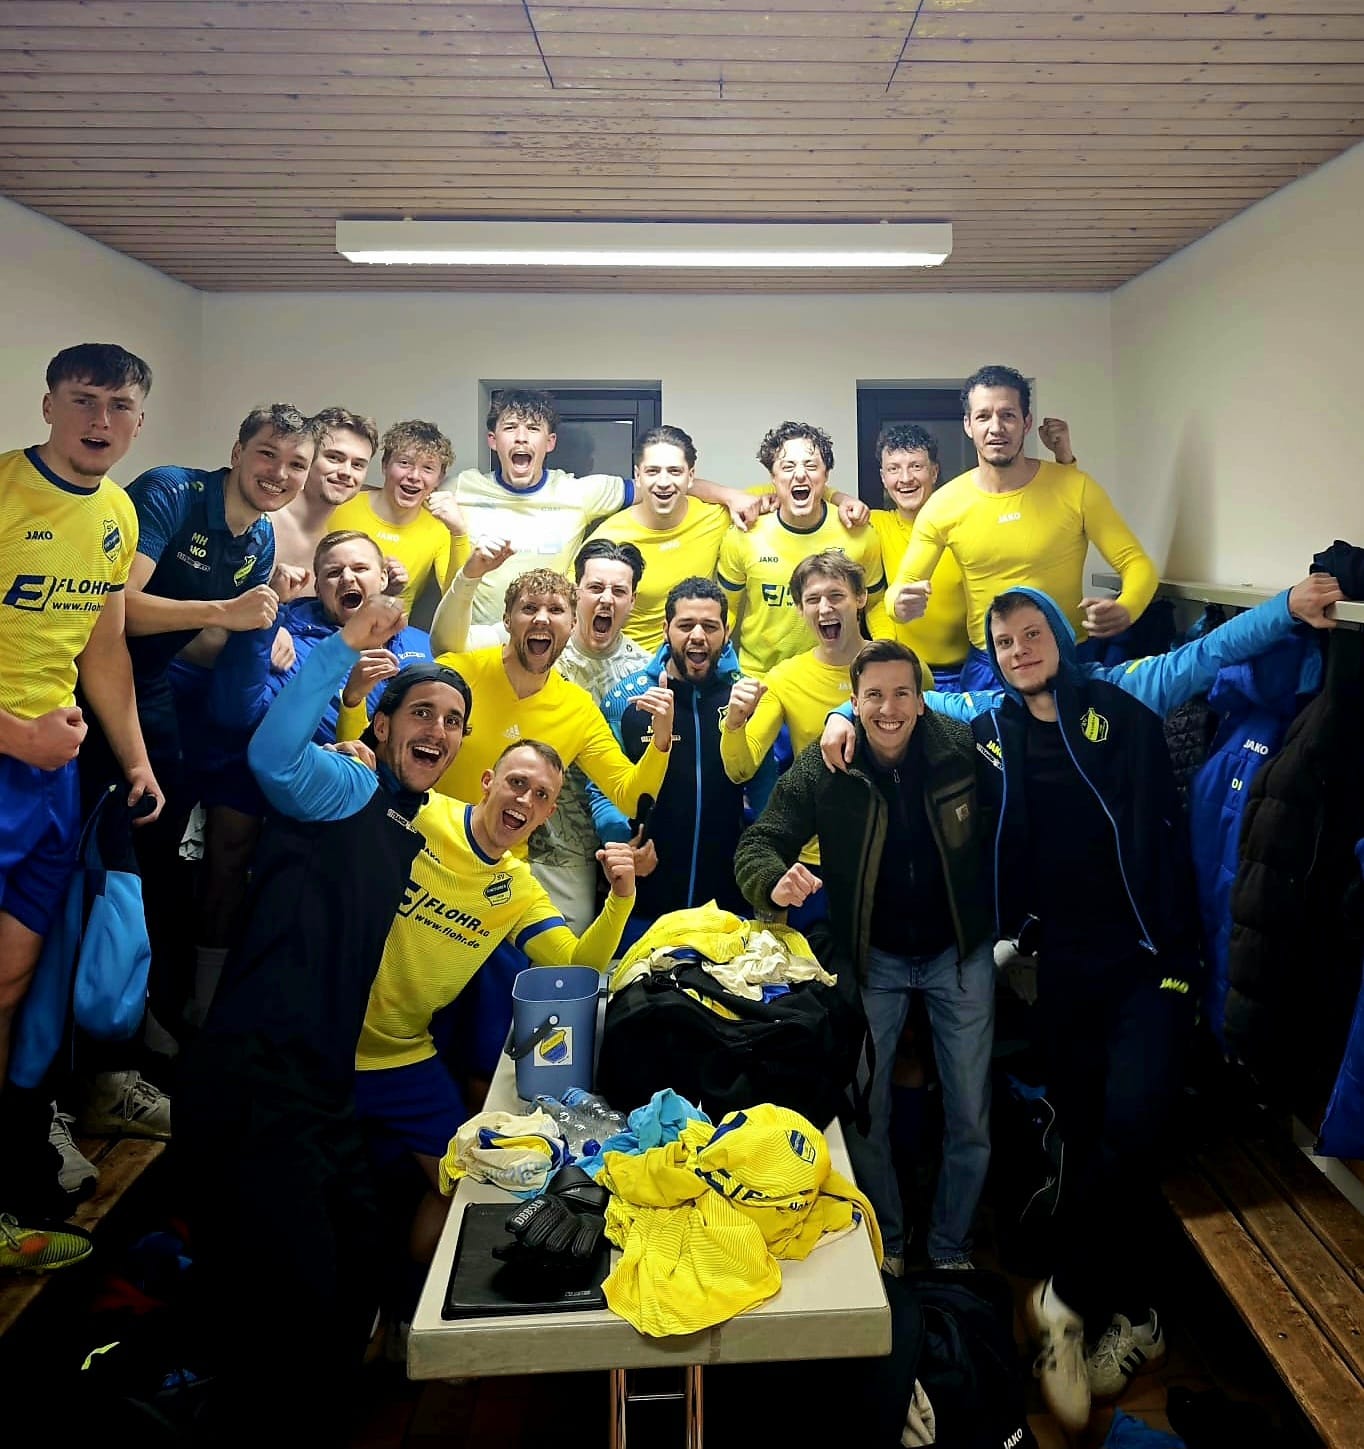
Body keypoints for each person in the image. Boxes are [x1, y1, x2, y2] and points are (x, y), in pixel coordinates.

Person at [821, 572, 1345, 1429]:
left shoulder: (1119, 692)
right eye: (1003, 642)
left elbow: (1205, 654)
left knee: (1135, 1122)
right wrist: (841, 715)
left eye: (1033, 633)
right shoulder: (985, 722)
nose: (1019, 650)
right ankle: (1132, 1314)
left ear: (1059, 636)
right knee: (1088, 1134)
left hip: (1152, 959)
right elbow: (901, 701)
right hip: (1061, 966)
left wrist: (1285, 609)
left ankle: (1064, 1297)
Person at [175, 594, 464, 1441]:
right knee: (290, 1302)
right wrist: (343, 645)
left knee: (357, 1260)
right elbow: (271, 753)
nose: (439, 730)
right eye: (422, 712)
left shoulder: (402, 816)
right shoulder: (347, 784)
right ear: (381, 725)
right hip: (254, 1080)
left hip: (318, 1085)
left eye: (453, 721)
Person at [734, 640, 992, 1275]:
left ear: (922, 700)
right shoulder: (827, 767)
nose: (888, 708)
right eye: (873, 695)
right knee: (864, 1112)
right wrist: (772, 882)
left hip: (958, 953)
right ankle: (890, 1242)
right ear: (852, 701)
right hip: (871, 958)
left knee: (971, 1114)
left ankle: (952, 1247)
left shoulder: (960, 749)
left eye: (902, 693)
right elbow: (760, 840)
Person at [83, 403, 318, 1062]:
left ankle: (144, 1021)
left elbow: (213, 644)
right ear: (238, 451)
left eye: (295, 463)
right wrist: (228, 612)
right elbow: (114, 610)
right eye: (267, 453)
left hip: (153, 686)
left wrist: (266, 637)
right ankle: (86, 1046)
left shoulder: (260, 538)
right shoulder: (171, 492)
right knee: (104, 861)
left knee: (157, 862)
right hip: (88, 680)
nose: (278, 473)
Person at [353, 739, 637, 1264]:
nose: (525, 799)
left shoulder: (517, 889)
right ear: (488, 782)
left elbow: (576, 964)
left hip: (401, 1057)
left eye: (541, 795)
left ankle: (409, 1306)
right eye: (517, 783)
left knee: (460, 1184)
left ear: (548, 814)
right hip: (325, 1038)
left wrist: (621, 900)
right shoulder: (423, 813)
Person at [1, 343, 163, 1245]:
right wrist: (14, 734)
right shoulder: (4, 490)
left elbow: (104, 648)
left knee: (15, 984)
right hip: (10, 753)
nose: (101, 421)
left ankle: (9, 1169)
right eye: (84, 399)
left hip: (54, 778)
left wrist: (135, 758)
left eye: (120, 405)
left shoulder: (116, 513)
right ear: (49, 405)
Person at [187, 529, 432, 1026]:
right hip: (285, 767)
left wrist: (356, 710)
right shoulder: (290, 628)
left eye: (360, 568)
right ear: (318, 588)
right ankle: (206, 1000)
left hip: (368, 789)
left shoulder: (416, 646)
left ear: (384, 578)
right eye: (333, 573)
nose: (347, 578)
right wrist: (266, 628)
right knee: (233, 822)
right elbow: (243, 713)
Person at [887, 365, 1157, 693]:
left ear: (1026, 423)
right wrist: (898, 604)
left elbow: (1136, 563)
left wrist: (1128, 607)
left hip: (1068, 658)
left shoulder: (1076, 487)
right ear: (968, 425)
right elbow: (902, 586)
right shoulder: (943, 505)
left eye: (1008, 415)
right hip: (990, 669)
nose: (996, 427)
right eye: (983, 416)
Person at [439, 389, 766, 638]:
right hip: (477, 637)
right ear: (493, 440)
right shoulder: (460, 489)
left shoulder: (580, 493)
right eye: (510, 428)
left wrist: (731, 497)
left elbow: (660, 485)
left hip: (549, 641)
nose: (521, 437)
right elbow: (412, 489)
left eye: (533, 429)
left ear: (550, 442)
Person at [597, 577, 749, 939]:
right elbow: (601, 788)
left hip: (726, 907)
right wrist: (622, 842)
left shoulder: (745, 699)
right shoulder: (625, 700)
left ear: (726, 632)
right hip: (643, 900)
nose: (698, 636)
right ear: (666, 629)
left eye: (709, 626)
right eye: (685, 625)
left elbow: (764, 793)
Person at [524, 539, 651, 933]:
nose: (606, 599)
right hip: (552, 844)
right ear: (575, 591)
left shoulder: (647, 673)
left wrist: (646, 838)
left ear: (632, 600)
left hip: (624, 843)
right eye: (595, 587)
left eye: (618, 591)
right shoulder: (540, 658)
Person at [718, 421, 884, 679]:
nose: (799, 475)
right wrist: (721, 671)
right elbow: (723, 610)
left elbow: (876, 605)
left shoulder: (859, 533)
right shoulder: (744, 534)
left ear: (826, 476)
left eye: (811, 466)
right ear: (773, 478)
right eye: (787, 467)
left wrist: (885, 656)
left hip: (841, 677)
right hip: (762, 678)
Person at [587, 425, 738, 653]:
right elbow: (573, 607)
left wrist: (734, 496)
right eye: (653, 471)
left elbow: (777, 495)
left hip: (696, 657)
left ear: (691, 476)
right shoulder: (610, 539)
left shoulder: (715, 517)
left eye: (675, 471)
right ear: (638, 476)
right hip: (629, 663)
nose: (664, 482)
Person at [330, 418, 469, 615]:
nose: (414, 476)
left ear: (439, 479)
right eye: (404, 463)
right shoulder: (342, 505)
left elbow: (456, 598)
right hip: (326, 623)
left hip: (392, 628)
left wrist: (459, 532)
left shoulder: (439, 528)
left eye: (428, 468)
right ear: (385, 465)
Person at [268, 406, 378, 581]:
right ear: (307, 458)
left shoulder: (331, 554)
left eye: (357, 465)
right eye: (334, 457)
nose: (346, 472)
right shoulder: (262, 519)